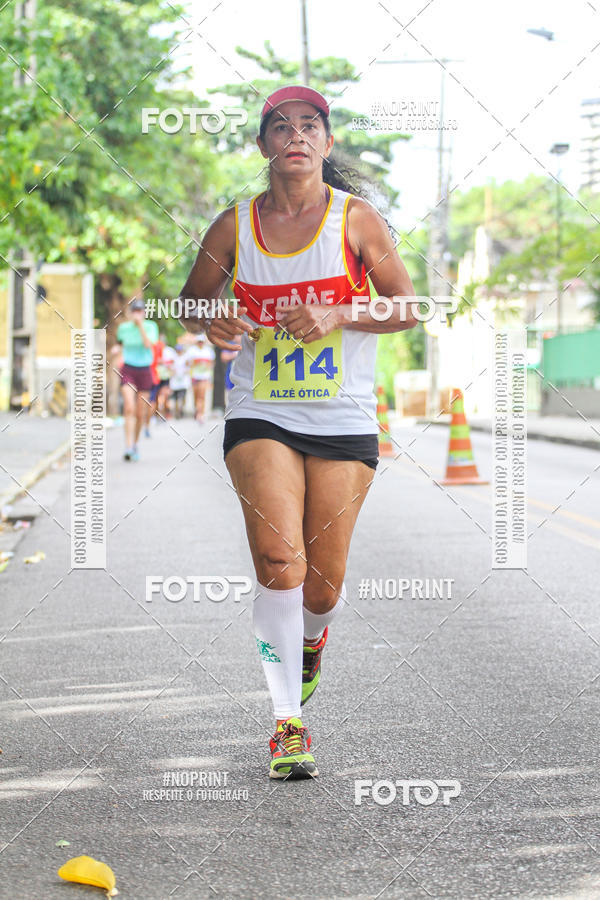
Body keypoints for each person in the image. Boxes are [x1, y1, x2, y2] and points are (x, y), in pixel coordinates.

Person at [179, 85, 417, 779]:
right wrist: (211, 320)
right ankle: (288, 723)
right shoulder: (234, 226)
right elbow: (195, 301)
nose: (296, 135)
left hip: (343, 415)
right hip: (262, 411)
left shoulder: (357, 221)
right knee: (280, 563)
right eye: (280, 126)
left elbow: (409, 307)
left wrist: (340, 315)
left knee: (322, 586)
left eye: (310, 125)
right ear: (263, 147)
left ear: (327, 144)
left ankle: (310, 640)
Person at [113, 298, 158, 461]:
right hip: (128, 369)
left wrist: (140, 327)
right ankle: (128, 445)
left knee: (140, 412)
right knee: (129, 407)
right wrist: (117, 351)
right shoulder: (124, 328)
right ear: (131, 313)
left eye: (140, 311)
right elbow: (119, 344)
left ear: (144, 313)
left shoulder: (151, 327)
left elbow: (148, 344)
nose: (137, 314)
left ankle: (135, 443)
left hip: (144, 369)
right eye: (135, 311)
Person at [186, 333, 215, 422]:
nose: (200, 343)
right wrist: (195, 363)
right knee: (196, 396)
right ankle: (197, 410)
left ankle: (200, 414)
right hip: (194, 376)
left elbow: (212, 363)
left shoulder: (209, 351)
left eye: (202, 342)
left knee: (201, 396)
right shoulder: (191, 350)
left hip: (204, 376)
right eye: (199, 342)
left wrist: (207, 366)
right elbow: (187, 363)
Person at [169, 342, 190, 418]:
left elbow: (188, 368)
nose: (179, 351)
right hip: (175, 382)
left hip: (183, 381)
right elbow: (170, 368)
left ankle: (180, 410)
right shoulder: (173, 358)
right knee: (175, 398)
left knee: (182, 397)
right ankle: (177, 411)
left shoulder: (185, 357)